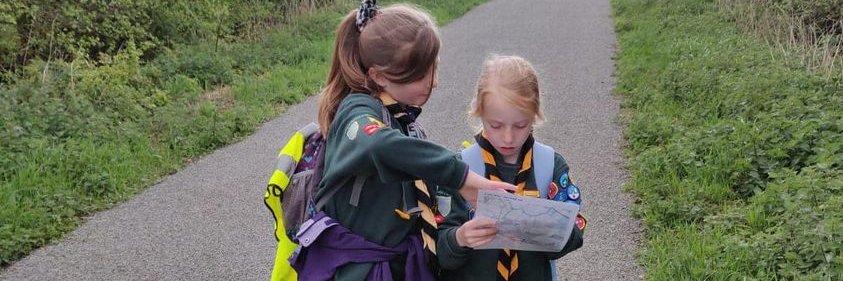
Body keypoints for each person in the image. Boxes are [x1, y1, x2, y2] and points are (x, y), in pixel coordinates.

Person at [289, 1, 516, 280]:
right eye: (421, 75)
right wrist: (459, 176)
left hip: (398, 265)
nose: (434, 82)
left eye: (434, 67)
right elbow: (378, 144)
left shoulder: (399, 116)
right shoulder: (356, 112)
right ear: (379, 76)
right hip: (360, 271)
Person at [436, 55, 585, 281]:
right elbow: (438, 249)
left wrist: (544, 229)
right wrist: (460, 238)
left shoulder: (549, 166)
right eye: (495, 125)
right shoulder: (461, 170)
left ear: (535, 115)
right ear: (479, 113)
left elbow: (574, 232)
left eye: (520, 125)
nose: (508, 137)